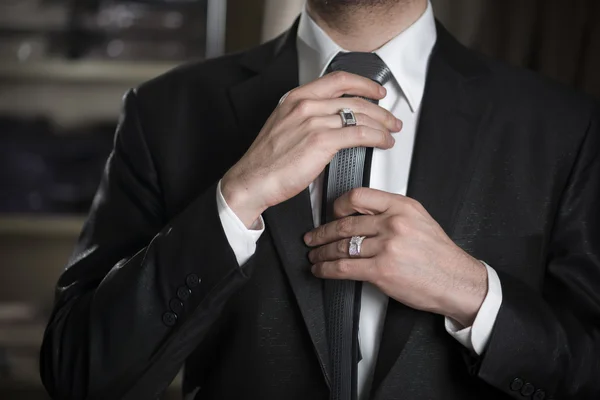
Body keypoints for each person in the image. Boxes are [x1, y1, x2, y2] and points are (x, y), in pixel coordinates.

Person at [40, 0, 600, 399]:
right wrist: (234, 200)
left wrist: (474, 297)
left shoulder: (563, 127)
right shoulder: (163, 112)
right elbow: (79, 375)